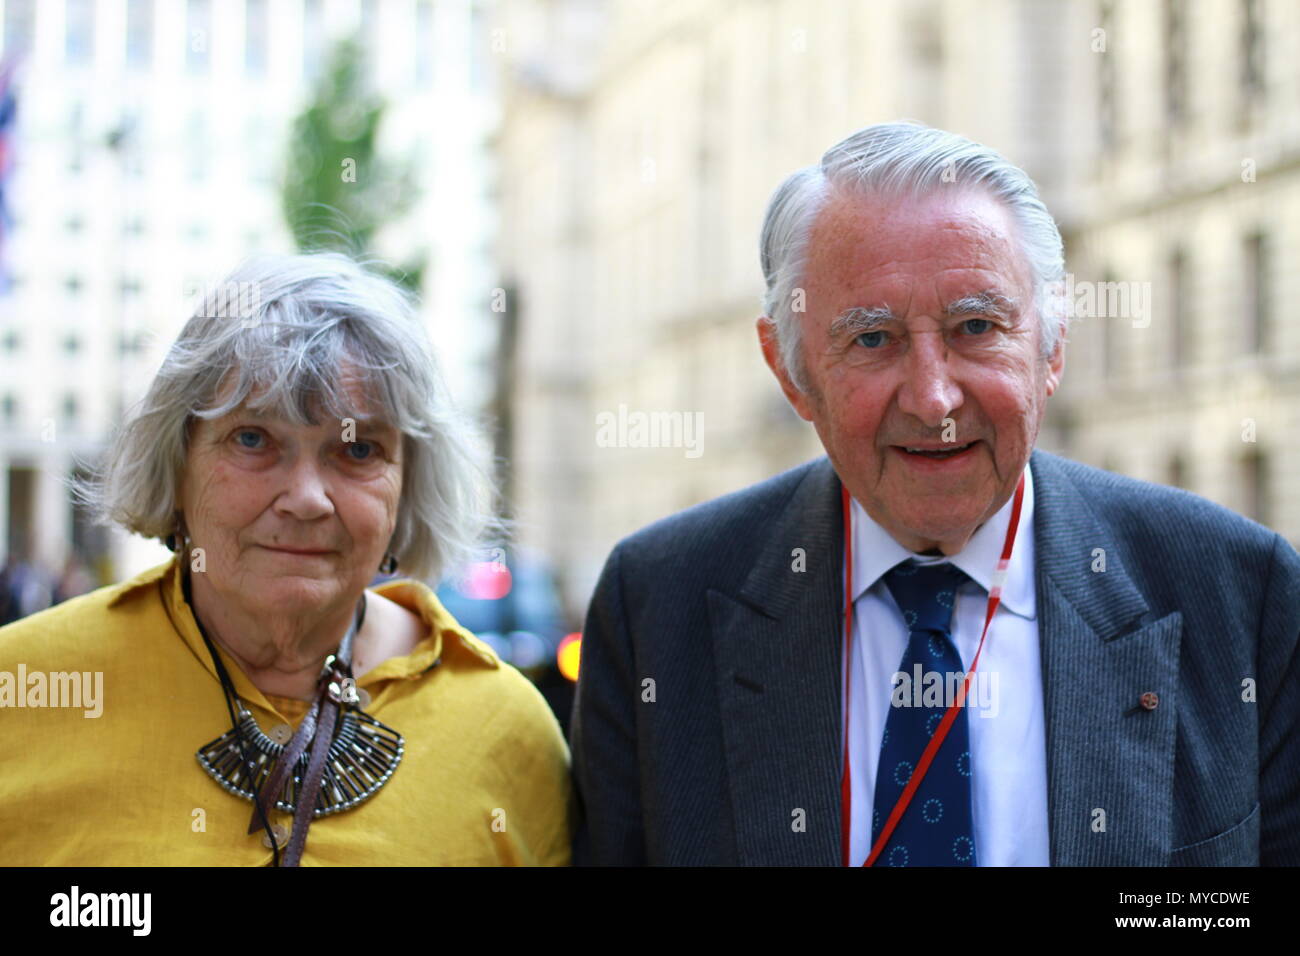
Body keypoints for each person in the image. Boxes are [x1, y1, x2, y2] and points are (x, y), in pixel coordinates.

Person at [570, 121, 1299, 866]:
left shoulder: (1242, 596)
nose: (933, 398)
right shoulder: (657, 611)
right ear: (791, 372)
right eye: (873, 339)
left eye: (976, 327)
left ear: (1052, 345)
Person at [0, 252, 573, 865]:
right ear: (177, 462)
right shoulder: (24, 690)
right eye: (253, 439)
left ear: (408, 484)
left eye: (357, 451)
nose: (306, 497)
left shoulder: (507, 731)